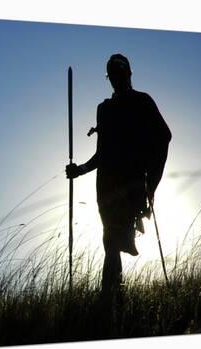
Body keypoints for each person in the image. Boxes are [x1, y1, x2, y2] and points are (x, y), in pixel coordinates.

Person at [66, 53, 172, 297]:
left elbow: (164, 136)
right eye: (112, 75)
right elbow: (101, 153)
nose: (117, 78)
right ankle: (115, 299)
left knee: (113, 242)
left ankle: (109, 300)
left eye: (121, 73)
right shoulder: (104, 110)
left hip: (131, 183)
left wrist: (150, 184)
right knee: (109, 242)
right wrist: (80, 169)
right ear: (109, 78)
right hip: (105, 186)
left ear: (129, 74)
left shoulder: (143, 102)